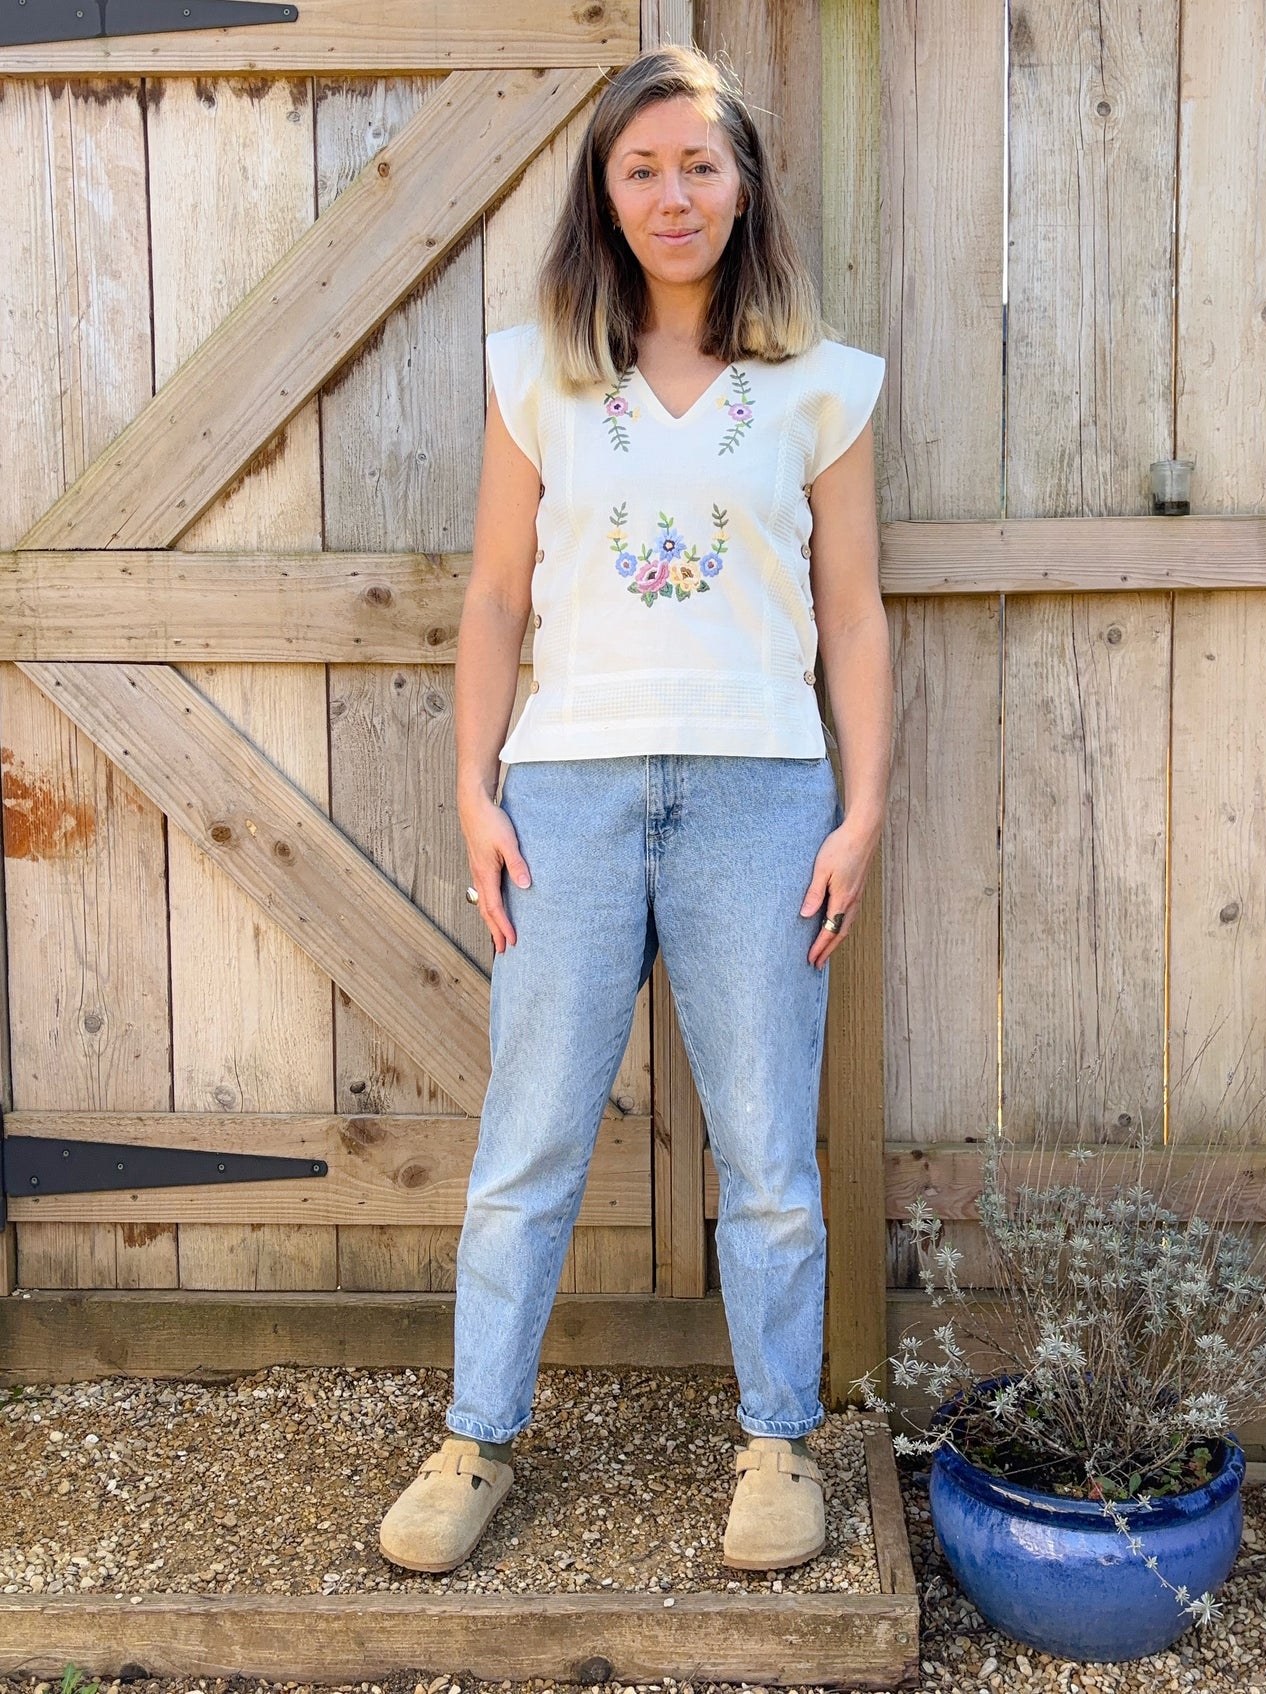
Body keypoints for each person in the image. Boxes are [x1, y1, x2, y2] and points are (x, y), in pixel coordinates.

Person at [378, 42, 891, 1577]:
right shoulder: (536, 368)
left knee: (764, 1150)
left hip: (759, 795)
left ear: (746, 187)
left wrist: (859, 809)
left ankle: (778, 1444)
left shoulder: (820, 383)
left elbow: (855, 619)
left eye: (701, 165)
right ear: (603, 193)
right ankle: (475, 1437)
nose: (674, 194)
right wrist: (472, 788)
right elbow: (487, 599)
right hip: (570, 791)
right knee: (528, 1138)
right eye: (641, 167)